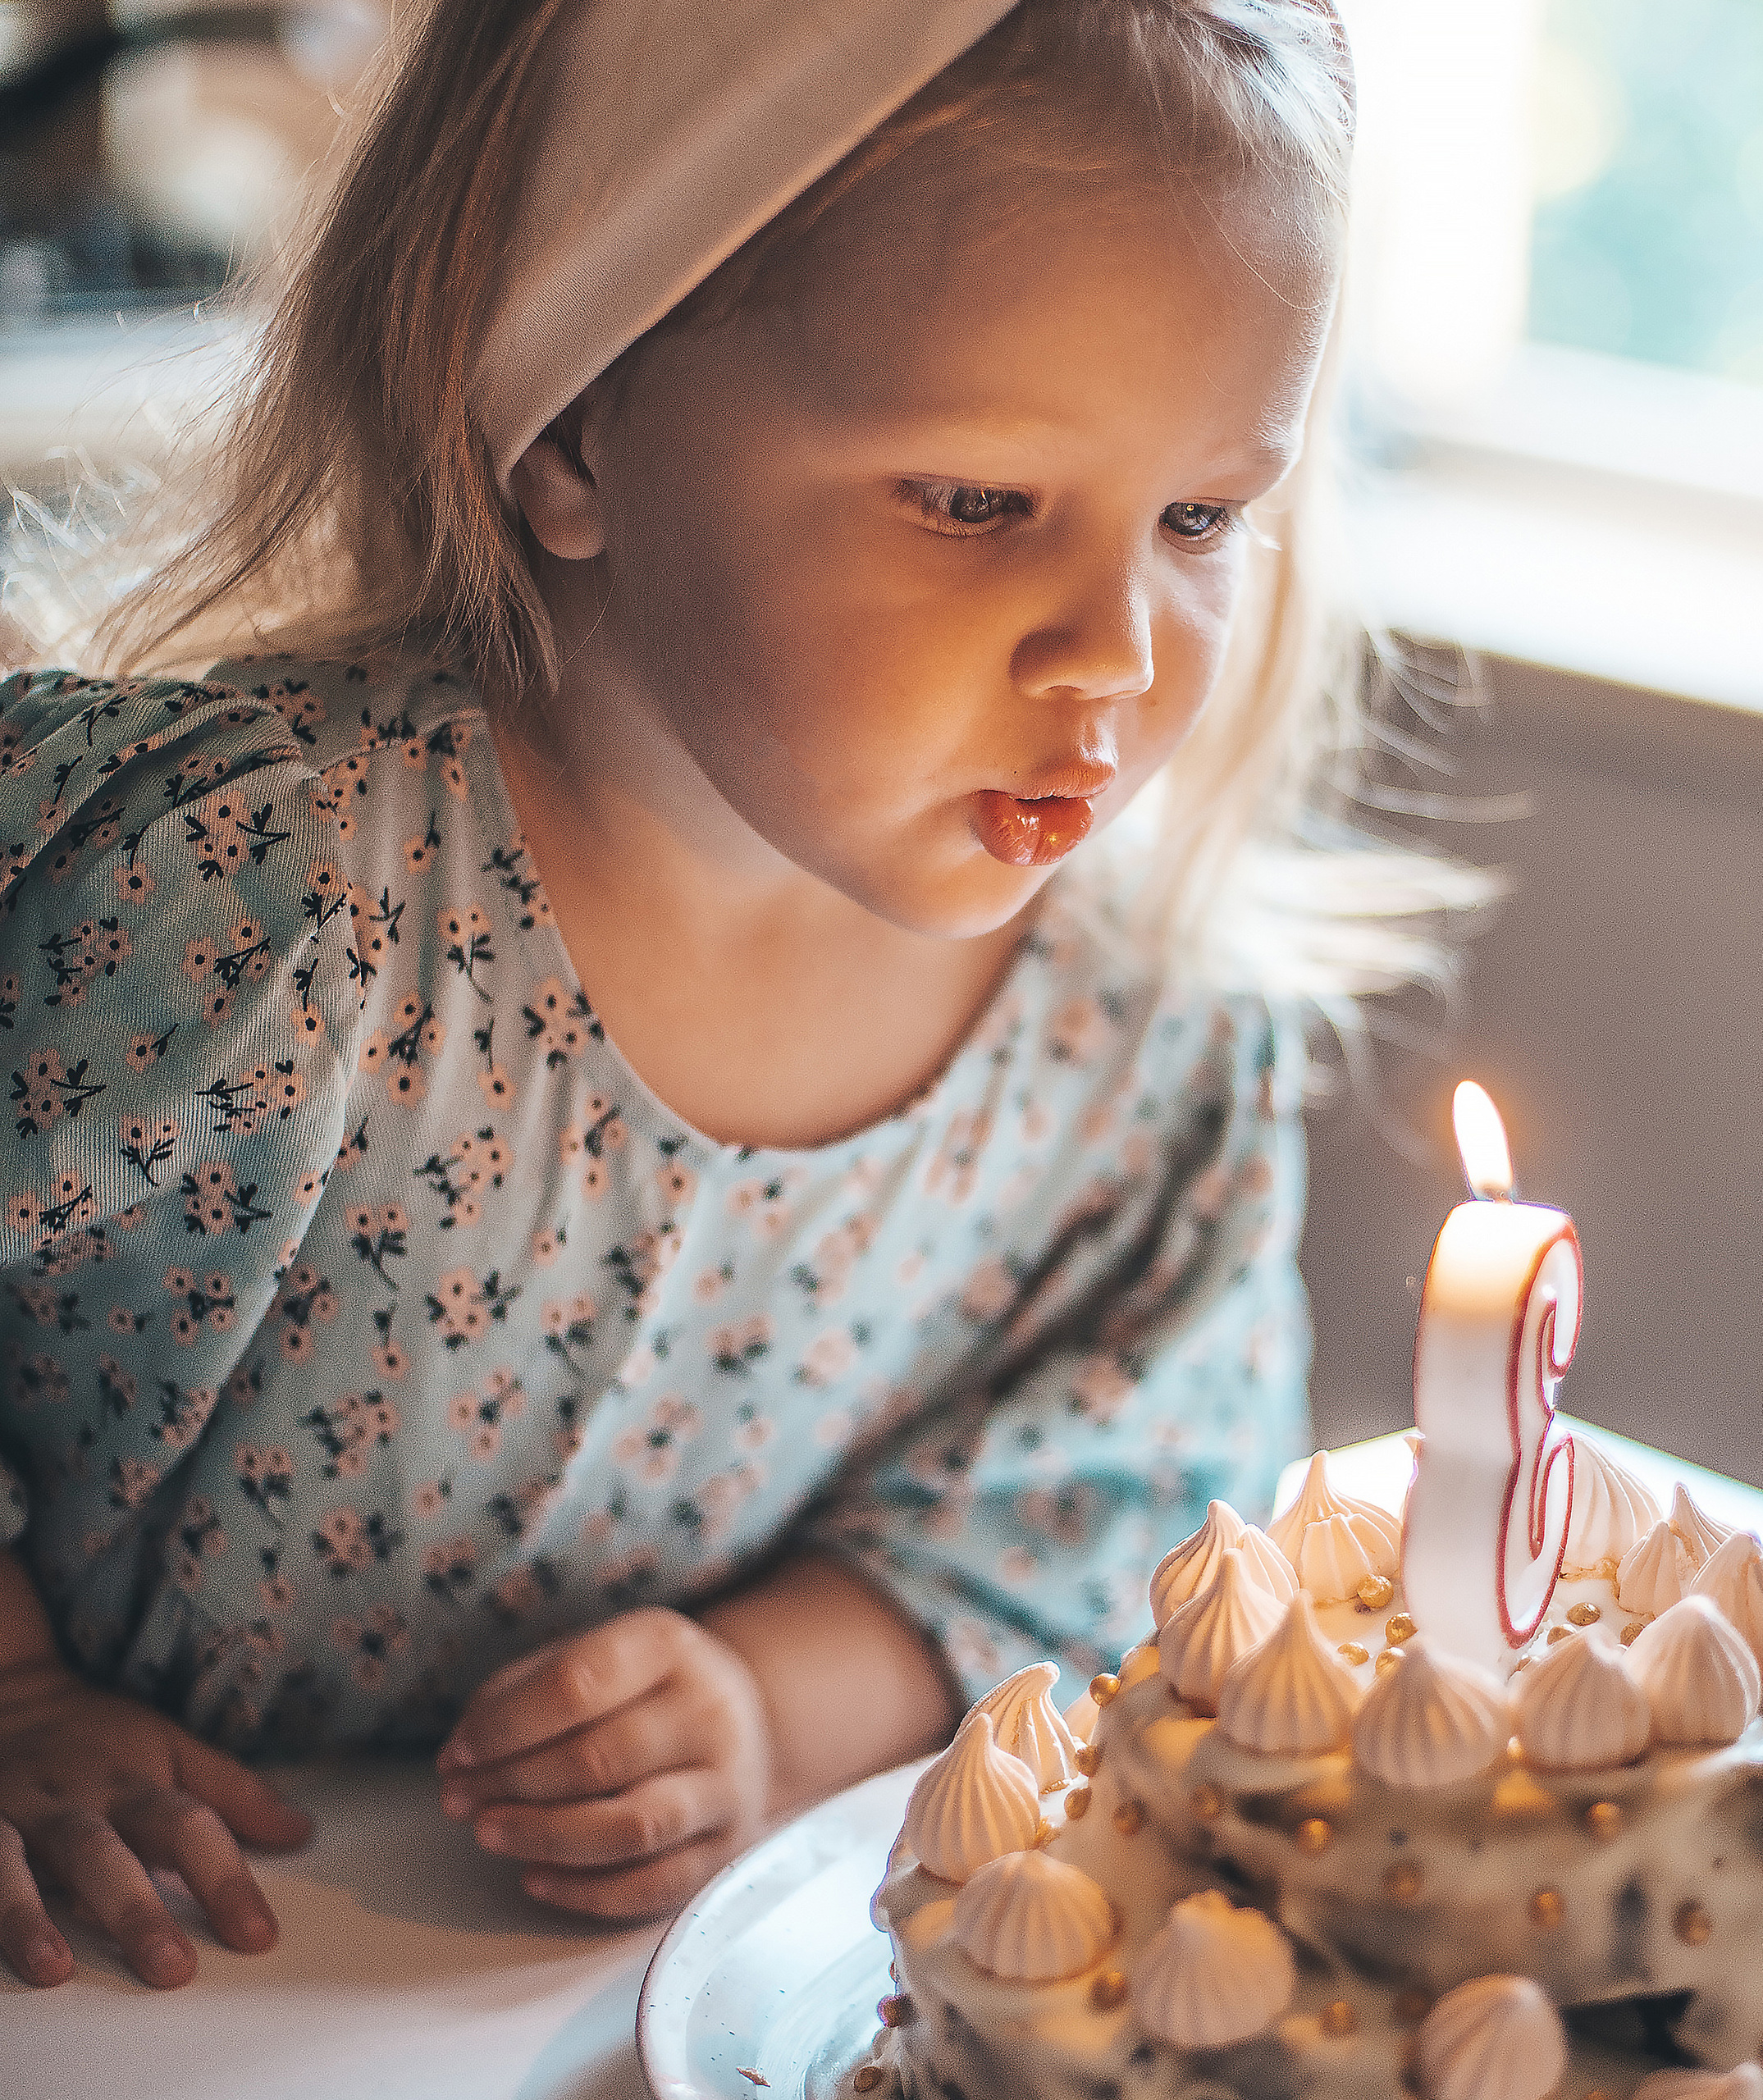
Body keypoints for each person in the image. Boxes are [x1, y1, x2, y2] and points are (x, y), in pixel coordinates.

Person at [0, 0, 1482, 1993]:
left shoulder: (1131, 1028)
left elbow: (1127, 1487)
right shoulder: (271, 899)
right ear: (579, 425)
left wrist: (781, 1696)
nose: (1114, 647)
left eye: (1198, 516)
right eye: (971, 499)